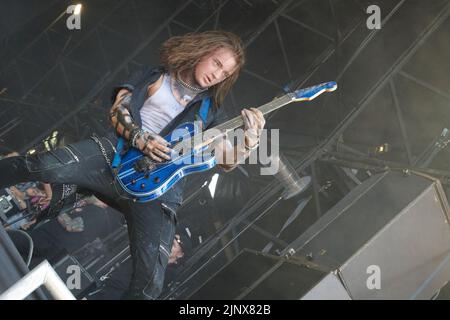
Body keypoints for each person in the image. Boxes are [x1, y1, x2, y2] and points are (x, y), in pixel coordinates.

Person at [0, 30, 266, 299]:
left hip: (157, 190)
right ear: (202, 50)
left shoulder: (212, 112)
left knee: (150, 281)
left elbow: (226, 161)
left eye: (224, 73)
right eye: (217, 63)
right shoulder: (154, 76)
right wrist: (140, 138)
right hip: (114, 154)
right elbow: (118, 110)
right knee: (42, 164)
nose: (217, 75)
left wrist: (249, 142)